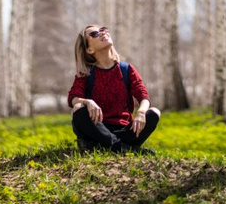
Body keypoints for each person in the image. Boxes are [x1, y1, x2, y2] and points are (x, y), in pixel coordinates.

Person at [67, 24, 160, 154]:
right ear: (89, 50)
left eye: (103, 30)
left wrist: (141, 112)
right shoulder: (86, 73)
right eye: (94, 34)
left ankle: (109, 146)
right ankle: (124, 149)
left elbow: (143, 96)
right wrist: (87, 101)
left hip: (124, 130)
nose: (102, 33)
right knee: (78, 108)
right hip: (97, 129)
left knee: (154, 112)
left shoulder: (126, 69)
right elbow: (73, 98)